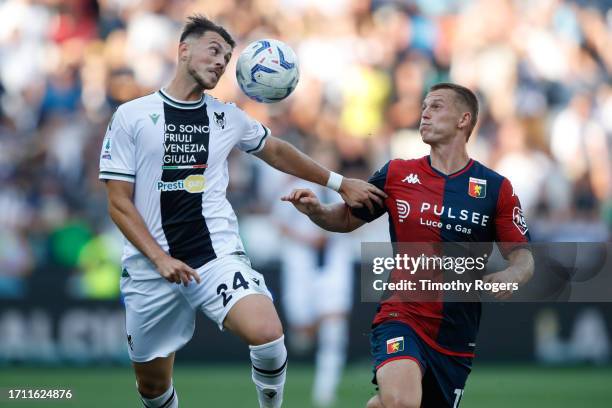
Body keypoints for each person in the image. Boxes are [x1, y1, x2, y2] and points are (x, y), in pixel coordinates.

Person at [99, 15, 385, 408]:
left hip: (213, 255)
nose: (221, 61)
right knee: (152, 388)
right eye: (214, 50)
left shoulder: (225, 116)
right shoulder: (131, 116)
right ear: (183, 50)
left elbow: (278, 151)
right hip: (151, 267)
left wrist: (339, 182)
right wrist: (160, 258)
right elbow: (118, 202)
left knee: (267, 331)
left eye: (227, 56)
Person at [282, 83, 535, 408]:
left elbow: (523, 257)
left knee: (389, 404)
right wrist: (317, 211)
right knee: (401, 402)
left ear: (463, 119)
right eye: (424, 106)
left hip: (456, 331)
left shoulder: (495, 188)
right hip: (402, 313)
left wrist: (513, 275)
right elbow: (345, 219)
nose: (424, 113)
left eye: (437, 107)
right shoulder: (397, 173)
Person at [273, 149, 354, 407]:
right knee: (302, 334)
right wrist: (307, 238)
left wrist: (330, 234)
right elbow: (278, 221)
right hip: (302, 265)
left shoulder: (346, 190)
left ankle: (325, 392)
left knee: (334, 329)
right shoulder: (296, 187)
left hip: (334, 263)